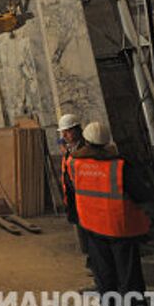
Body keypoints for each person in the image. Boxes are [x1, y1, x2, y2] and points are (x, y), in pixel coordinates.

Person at [69, 122, 154, 306]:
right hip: (119, 232)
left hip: (92, 231)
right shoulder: (120, 167)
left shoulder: (75, 164)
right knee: (131, 285)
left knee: (105, 282)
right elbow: (143, 196)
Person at [58, 114, 91, 269]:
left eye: (68, 131)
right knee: (84, 233)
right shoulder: (69, 150)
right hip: (74, 198)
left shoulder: (87, 150)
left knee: (92, 236)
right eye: (63, 132)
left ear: (77, 130)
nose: (64, 135)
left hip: (87, 199)